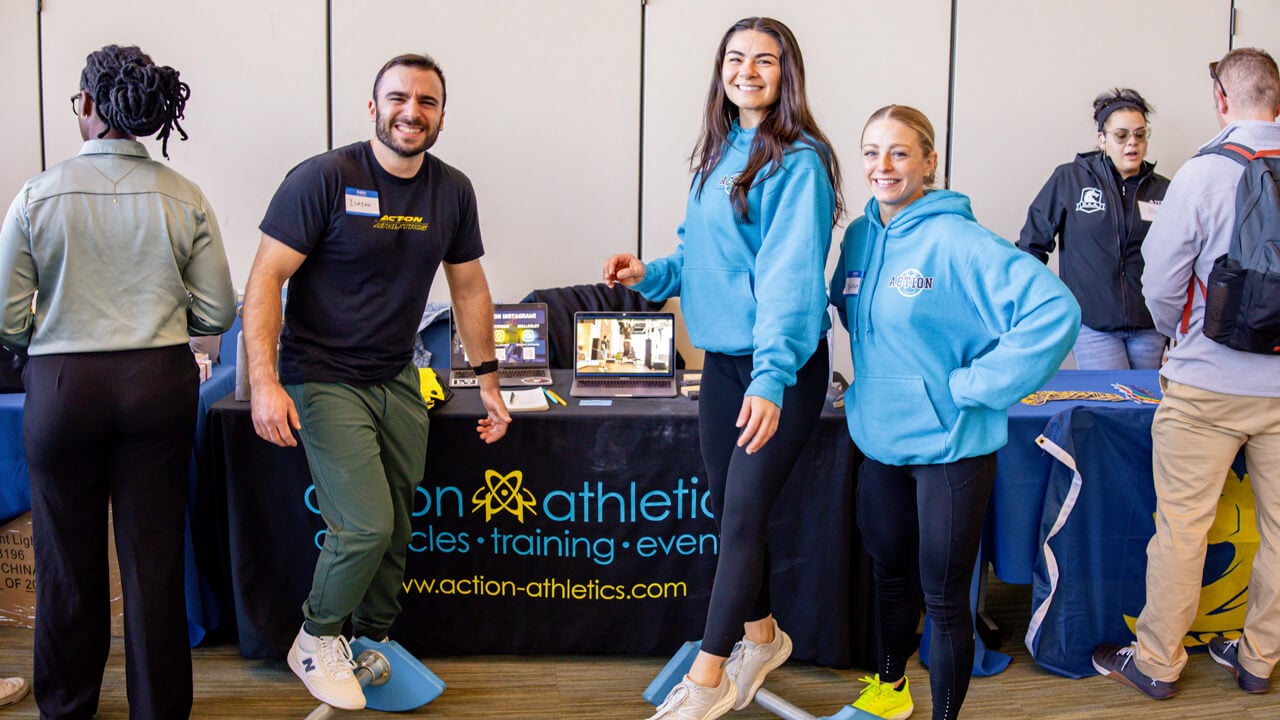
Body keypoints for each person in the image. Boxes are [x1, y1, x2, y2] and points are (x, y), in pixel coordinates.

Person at [244, 52, 510, 711]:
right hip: (322, 376)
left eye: (426, 102)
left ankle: (374, 641)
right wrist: (264, 383)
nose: (411, 112)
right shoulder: (324, 179)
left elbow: (470, 286)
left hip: (396, 376)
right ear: (372, 107)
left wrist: (489, 381)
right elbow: (265, 280)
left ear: (443, 115)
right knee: (362, 526)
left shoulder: (451, 190)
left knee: (395, 527)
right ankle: (316, 637)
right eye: (398, 98)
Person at [604, 16, 842, 720]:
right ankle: (762, 638)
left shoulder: (798, 161)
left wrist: (770, 379)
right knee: (725, 509)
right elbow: (703, 258)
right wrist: (652, 274)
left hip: (782, 366)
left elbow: (791, 279)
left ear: (786, 73)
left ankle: (707, 682)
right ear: (721, 71)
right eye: (735, 59)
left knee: (742, 517)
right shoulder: (716, 154)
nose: (747, 71)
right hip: (724, 363)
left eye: (763, 61)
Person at [0, 44, 236, 718]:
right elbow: (217, 311)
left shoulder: (36, 194)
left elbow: (6, 319)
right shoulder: (186, 198)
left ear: (87, 107)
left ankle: (68, 706)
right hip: (157, 383)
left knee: (66, 566)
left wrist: (43, 337)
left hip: (62, 386)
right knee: (154, 564)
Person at [830, 105, 1079, 720]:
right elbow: (844, 306)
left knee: (944, 600)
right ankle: (890, 693)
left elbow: (1055, 311)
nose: (882, 166)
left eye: (899, 152)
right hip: (879, 438)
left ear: (928, 160)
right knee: (889, 578)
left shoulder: (959, 241)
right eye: (870, 152)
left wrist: (976, 384)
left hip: (952, 447)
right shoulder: (859, 237)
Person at [1092, 47, 1280, 701]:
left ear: (1222, 101)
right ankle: (1259, 661)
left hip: (1207, 381)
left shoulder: (1204, 173)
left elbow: (1162, 282)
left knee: (1181, 527)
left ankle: (1159, 663)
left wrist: (1179, 338)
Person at [1018, 88, 1170, 370]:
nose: (1132, 144)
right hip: (1094, 327)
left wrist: (1176, 333)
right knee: (1109, 406)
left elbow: (1179, 259)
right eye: (1121, 135)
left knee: (1148, 409)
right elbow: (1031, 248)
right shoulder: (1070, 179)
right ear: (1102, 139)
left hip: (1151, 326)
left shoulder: (1164, 189)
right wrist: (1038, 308)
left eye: (1140, 134)